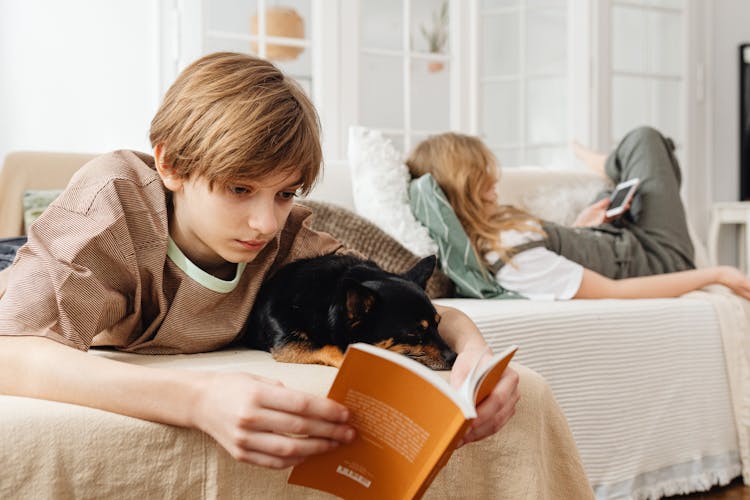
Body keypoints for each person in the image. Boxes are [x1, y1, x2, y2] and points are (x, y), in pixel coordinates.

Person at [0, 53, 596, 497]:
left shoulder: (287, 240)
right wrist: (195, 400)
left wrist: (471, 355)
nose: (264, 220)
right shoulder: (108, 204)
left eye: (284, 193)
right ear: (171, 164)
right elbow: (12, 351)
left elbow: (414, 302)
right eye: (239, 189)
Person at [406, 127, 750, 301]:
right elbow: (616, 293)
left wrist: (581, 228)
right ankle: (608, 163)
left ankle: (611, 167)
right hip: (659, 256)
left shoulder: (496, 231)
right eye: (482, 177)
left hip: (613, 237)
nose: (495, 180)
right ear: (461, 189)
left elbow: (560, 256)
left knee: (639, 164)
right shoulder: (511, 261)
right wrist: (715, 274)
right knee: (647, 140)